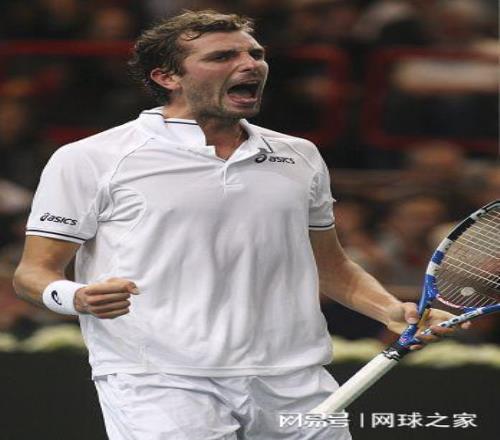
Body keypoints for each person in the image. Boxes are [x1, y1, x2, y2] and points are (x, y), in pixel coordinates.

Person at [13, 10, 459, 440]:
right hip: (159, 378)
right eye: (222, 56)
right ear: (167, 77)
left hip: (294, 376)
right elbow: (33, 273)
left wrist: (390, 310)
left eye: (255, 54)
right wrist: (76, 296)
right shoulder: (90, 158)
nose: (250, 64)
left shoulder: (300, 155)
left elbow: (331, 266)